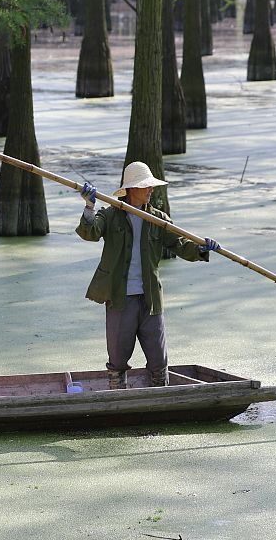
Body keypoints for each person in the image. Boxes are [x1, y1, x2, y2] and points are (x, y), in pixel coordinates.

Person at [76, 161, 220, 388]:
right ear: (131, 189)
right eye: (146, 186)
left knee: (158, 358)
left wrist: (201, 248)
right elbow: (90, 233)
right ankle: (117, 400)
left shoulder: (158, 219)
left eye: (151, 186)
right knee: (117, 358)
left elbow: (180, 245)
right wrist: (89, 207)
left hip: (150, 297)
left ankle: (161, 398)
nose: (151, 190)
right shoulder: (111, 215)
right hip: (119, 297)